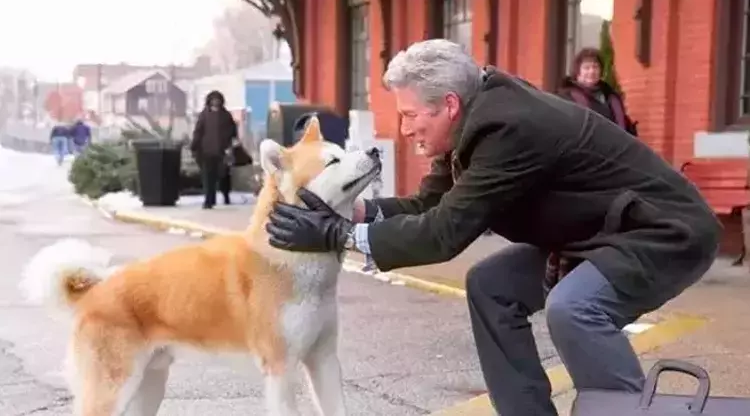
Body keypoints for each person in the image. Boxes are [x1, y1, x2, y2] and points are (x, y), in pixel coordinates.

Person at [263, 39, 721, 416]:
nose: (404, 129)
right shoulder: (471, 121)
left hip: (662, 231)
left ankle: (625, 413)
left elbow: (444, 233)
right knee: (491, 285)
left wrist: (334, 237)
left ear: (448, 105)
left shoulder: (508, 129)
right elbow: (428, 204)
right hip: (599, 235)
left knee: (574, 308)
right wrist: (352, 214)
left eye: (408, 115)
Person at [558, 47, 638, 136]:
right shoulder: (567, 98)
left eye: (595, 67)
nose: (592, 71)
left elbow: (626, 126)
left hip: (616, 147)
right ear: (577, 72)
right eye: (586, 68)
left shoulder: (611, 97)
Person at [190, 90, 238, 209]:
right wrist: (194, 146)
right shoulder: (204, 115)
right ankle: (209, 200)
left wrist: (230, 146)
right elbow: (198, 131)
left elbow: (233, 132)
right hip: (206, 152)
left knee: (223, 176)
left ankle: (226, 195)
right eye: (213, 99)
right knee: (208, 177)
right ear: (209, 101)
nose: (215, 102)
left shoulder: (226, 115)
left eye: (217, 99)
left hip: (223, 152)